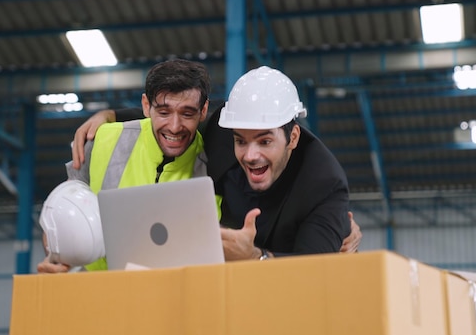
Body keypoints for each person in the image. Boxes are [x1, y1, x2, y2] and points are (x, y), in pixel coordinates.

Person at [70, 65, 362, 262]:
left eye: (265, 141)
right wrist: (111, 115)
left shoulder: (325, 188)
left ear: (293, 137)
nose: (250, 155)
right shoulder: (221, 131)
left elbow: (311, 279)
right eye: (241, 141)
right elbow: (177, 117)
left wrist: (255, 257)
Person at [38, 58, 212, 273]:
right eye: (164, 112)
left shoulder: (215, 160)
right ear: (146, 106)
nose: (175, 127)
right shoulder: (101, 141)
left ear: (203, 111)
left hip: (175, 295)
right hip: (100, 291)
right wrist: (56, 256)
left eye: (187, 113)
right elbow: (64, 211)